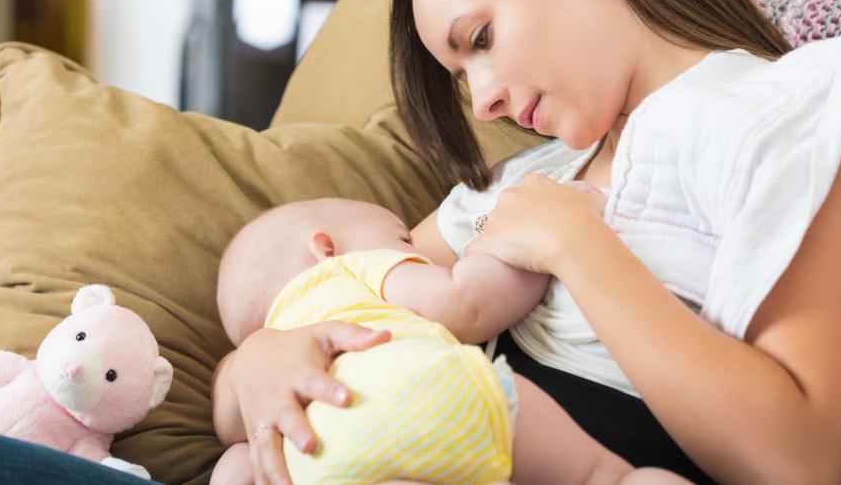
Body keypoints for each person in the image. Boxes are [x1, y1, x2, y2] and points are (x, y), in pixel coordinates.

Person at [220, 0, 841, 485]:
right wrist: (257, 364)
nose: (483, 102)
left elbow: (803, 461)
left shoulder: (794, 121)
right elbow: (328, 289)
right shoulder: (522, 182)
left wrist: (578, 246)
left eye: (481, 39)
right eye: (462, 75)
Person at [211, 197, 685, 484]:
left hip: (325, 463)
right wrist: (507, 246)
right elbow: (467, 302)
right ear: (325, 247)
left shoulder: (263, 395)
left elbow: (234, 442)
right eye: (404, 240)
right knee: (604, 478)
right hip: (434, 395)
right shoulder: (349, 270)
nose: (418, 253)